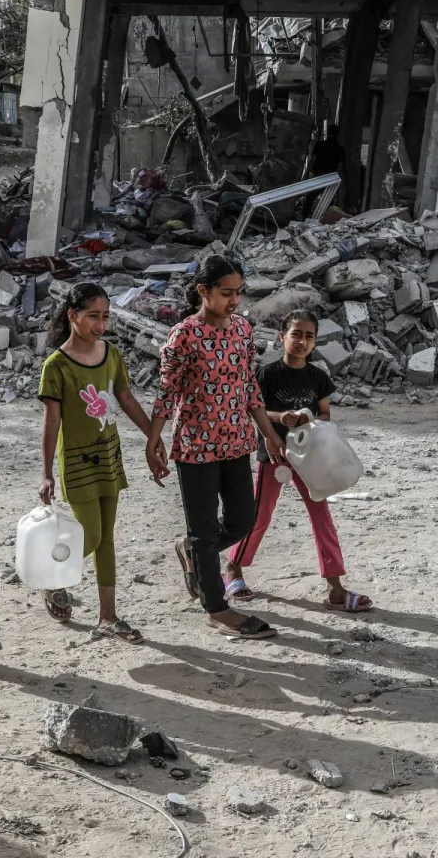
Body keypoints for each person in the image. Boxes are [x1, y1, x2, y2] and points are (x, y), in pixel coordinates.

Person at [146, 255, 287, 640]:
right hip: (194, 446)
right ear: (203, 292)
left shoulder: (242, 330)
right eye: (226, 293)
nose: (234, 301)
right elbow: (167, 390)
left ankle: (193, 550)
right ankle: (217, 608)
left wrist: (269, 432)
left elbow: (248, 386)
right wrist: (153, 439)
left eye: (239, 292)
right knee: (205, 528)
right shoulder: (183, 336)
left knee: (242, 520)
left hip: (237, 440)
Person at [223, 310, 374, 613]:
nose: (302, 341)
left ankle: (335, 588)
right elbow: (256, 411)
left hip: (310, 460)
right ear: (282, 336)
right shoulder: (268, 374)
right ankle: (233, 569)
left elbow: (325, 414)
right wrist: (282, 418)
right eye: (296, 334)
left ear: (315, 341)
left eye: (309, 336)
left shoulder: (318, 377)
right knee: (259, 516)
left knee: (322, 518)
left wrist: (310, 421)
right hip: (276, 455)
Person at [36, 283, 155, 642]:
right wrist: (45, 474)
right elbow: (51, 422)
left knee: (107, 540)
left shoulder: (111, 354)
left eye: (105, 316)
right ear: (73, 316)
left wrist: (153, 435)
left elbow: (126, 398)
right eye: (93, 316)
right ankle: (49, 576)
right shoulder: (56, 365)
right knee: (91, 534)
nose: (100, 324)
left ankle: (108, 617)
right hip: (75, 460)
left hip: (108, 455)